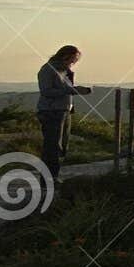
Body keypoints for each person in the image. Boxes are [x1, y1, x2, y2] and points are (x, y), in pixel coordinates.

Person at [36, 45, 92, 183]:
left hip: (63, 111)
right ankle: (48, 179)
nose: (73, 63)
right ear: (65, 56)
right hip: (51, 112)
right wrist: (73, 91)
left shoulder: (64, 70)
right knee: (52, 147)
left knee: (61, 146)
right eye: (72, 60)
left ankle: (53, 177)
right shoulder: (48, 69)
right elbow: (46, 91)